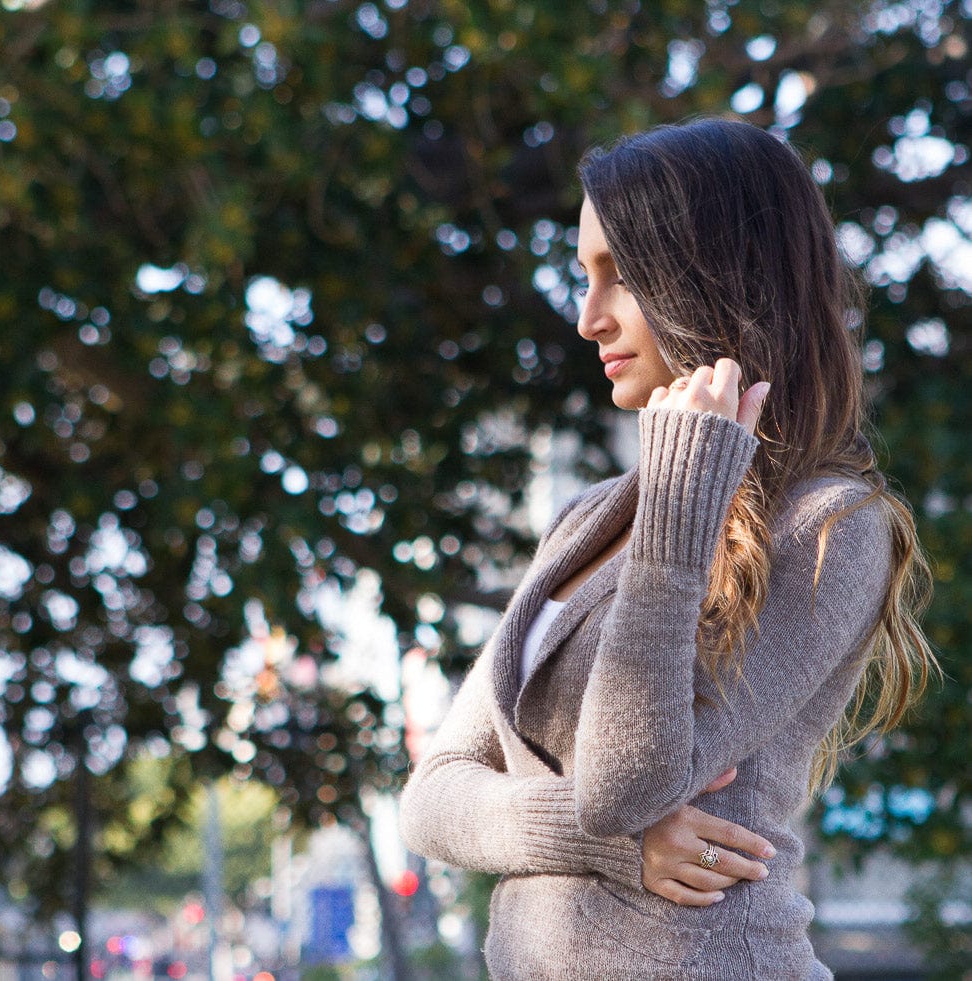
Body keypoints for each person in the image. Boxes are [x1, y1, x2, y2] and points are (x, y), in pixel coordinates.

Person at [398, 117, 937, 980]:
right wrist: (612, 846)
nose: (586, 318)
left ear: (712, 280)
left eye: (617, 276)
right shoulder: (584, 521)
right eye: (583, 276)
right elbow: (432, 797)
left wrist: (680, 508)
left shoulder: (832, 526)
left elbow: (625, 785)